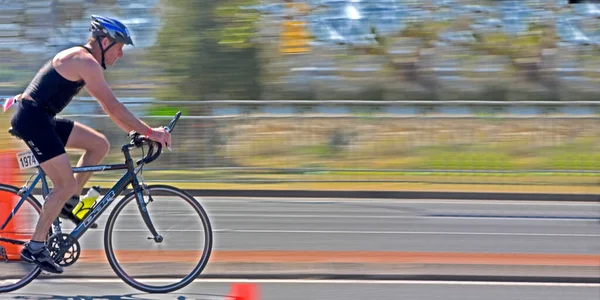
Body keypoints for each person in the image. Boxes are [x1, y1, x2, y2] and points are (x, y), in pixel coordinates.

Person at [7, 15, 171, 274]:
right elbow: (112, 106)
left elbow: (111, 110)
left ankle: (70, 204)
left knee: (98, 144)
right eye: (120, 47)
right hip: (34, 121)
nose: (121, 54)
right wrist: (150, 132)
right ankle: (36, 246)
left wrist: (137, 131)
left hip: (41, 118)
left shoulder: (83, 59)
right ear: (104, 42)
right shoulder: (85, 61)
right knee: (65, 182)